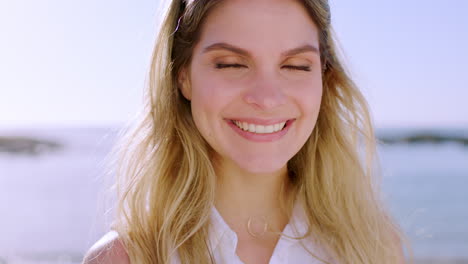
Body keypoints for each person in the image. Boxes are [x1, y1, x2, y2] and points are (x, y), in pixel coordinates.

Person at [83, 0, 407, 263]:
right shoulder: (124, 258)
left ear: (324, 77)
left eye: (295, 66)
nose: (267, 99)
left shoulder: (374, 248)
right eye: (231, 64)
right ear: (183, 76)